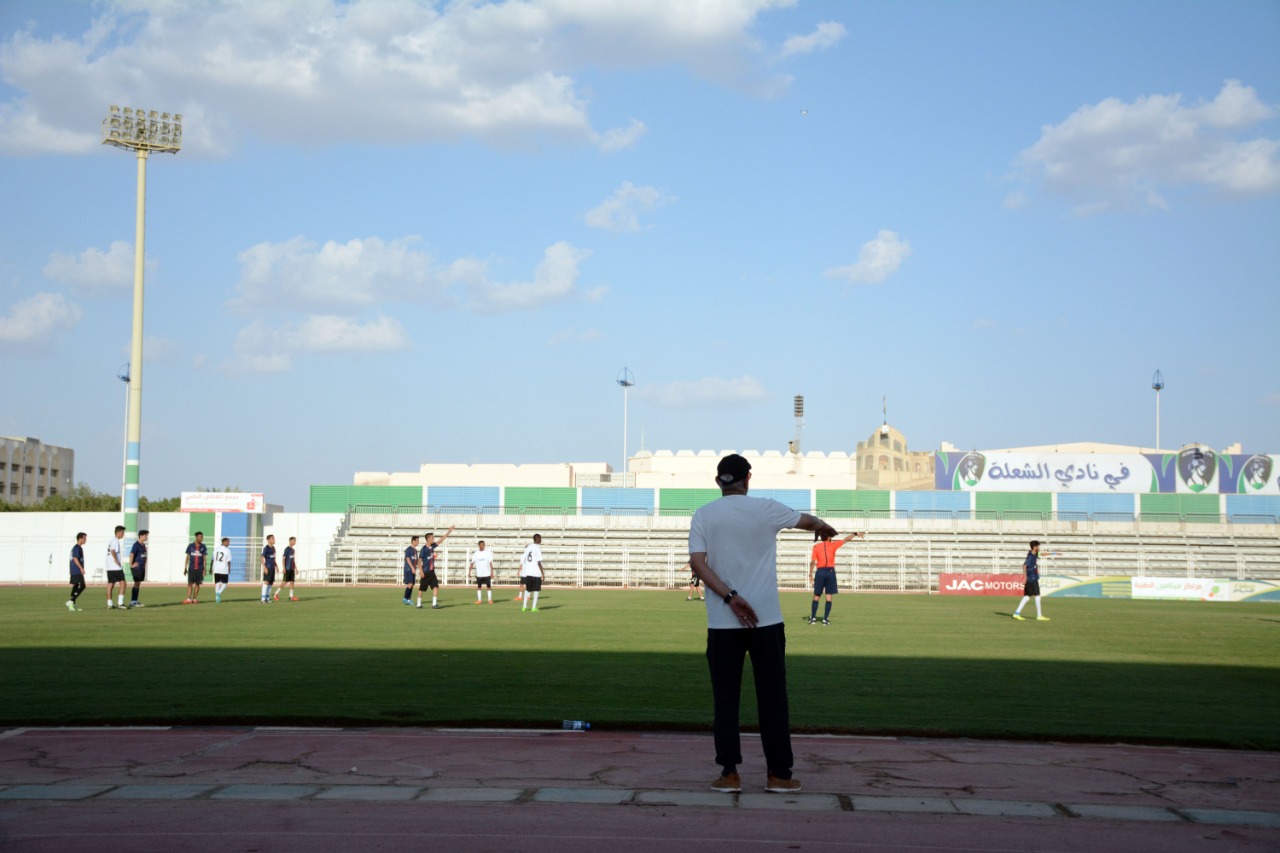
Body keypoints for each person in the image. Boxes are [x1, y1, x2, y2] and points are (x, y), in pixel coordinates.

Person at [689, 453, 839, 795]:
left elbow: (697, 563)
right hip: (766, 621)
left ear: (718, 481)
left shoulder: (704, 514)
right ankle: (779, 775)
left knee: (725, 700)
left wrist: (730, 597)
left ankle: (729, 774)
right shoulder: (767, 508)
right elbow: (807, 521)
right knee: (773, 698)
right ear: (748, 478)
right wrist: (822, 526)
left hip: (722, 622)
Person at [808, 531, 864, 625]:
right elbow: (846, 539)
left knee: (817, 595)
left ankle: (813, 618)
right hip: (830, 572)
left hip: (820, 572)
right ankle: (825, 619)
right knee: (829, 595)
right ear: (829, 537)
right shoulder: (833, 545)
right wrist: (855, 534)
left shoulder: (816, 547)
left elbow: (812, 562)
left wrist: (810, 575)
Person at [417, 526, 455, 610]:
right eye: (432, 537)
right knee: (422, 588)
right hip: (425, 571)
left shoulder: (432, 546)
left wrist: (449, 531)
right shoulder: (423, 549)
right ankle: (418, 604)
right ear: (428, 539)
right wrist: (421, 571)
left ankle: (434, 604)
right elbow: (419, 561)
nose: (433, 539)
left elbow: (441, 540)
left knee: (436, 586)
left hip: (431, 571)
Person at [1012, 540, 1048, 621]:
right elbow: (1024, 565)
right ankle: (1039, 615)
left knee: (1027, 597)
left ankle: (1016, 613)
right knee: (1037, 596)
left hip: (1032, 577)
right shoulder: (1031, 556)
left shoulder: (1034, 554)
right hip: (1031, 578)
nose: (1039, 547)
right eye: (1038, 546)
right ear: (1035, 547)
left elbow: (1042, 554)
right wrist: (1025, 577)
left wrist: (1054, 554)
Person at [520, 533, 544, 612]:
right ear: (537, 539)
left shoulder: (529, 547)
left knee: (528, 589)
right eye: (540, 538)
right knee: (536, 590)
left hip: (528, 572)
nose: (541, 540)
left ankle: (524, 607)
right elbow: (539, 562)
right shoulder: (537, 548)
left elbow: (525, 558)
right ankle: (533, 607)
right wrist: (543, 573)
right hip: (536, 572)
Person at [105, 524, 126, 609]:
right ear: (118, 532)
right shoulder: (115, 540)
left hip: (109, 567)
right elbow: (113, 550)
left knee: (111, 584)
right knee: (123, 583)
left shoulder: (112, 540)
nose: (123, 534)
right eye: (122, 532)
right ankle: (120, 603)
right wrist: (116, 560)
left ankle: (110, 604)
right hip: (115, 567)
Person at [469, 540, 496, 604]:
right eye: (482, 545)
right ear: (479, 545)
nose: (483, 546)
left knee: (488, 587)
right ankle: (479, 600)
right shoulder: (476, 554)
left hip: (487, 573)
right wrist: (469, 571)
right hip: (479, 574)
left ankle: (489, 600)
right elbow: (472, 563)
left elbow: (490, 563)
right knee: (479, 587)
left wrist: (492, 572)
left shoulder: (487, 553)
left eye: (484, 545)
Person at [184, 531, 208, 604]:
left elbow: (204, 559)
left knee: (197, 584)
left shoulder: (203, 546)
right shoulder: (190, 546)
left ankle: (194, 599)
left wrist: (205, 569)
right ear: (197, 537)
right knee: (190, 583)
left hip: (200, 568)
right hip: (191, 568)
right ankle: (188, 599)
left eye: (202, 537)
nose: (202, 538)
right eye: (201, 537)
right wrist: (185, 567)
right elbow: (187, 557)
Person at [128, 530, 149, 608]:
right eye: (145, 535)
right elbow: (131, 554)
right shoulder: (136, 545)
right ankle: (133, 601)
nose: (146, 537)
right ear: (141, 536)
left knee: (138, 584)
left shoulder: (143, 545)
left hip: (141, 567)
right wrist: (131, 564)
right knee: (136, 583)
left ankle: (135, 600)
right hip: (137, 568)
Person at [67, 532, 87, 611]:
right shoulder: (77, 548)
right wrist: (81, 568)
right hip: (76, 570)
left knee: (76, 586)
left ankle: (72, 605)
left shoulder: (79, 548)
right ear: (80, 538)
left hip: (75, 570)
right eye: (84, 538)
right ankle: (71, 601)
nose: (85, 540)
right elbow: (75, 558)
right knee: (82, 585)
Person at [279, 536, 299, 601]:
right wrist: (284, 568)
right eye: (294, 540)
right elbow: (283, 559)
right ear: (290, 541)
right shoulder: (287, 549)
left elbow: (293, 560)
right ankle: (276, 594)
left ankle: (291, 597)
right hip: (287, 568)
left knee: (292, 582)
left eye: (295, 540)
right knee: (284, 582)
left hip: (292, 569)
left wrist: (296, 569)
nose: (295, 542)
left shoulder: (293, 550)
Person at [213, 536, 232, 603]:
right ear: (224, 542)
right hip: (224, 568)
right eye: (228, 542)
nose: (229, 543)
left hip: (216, 568)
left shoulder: (216, 549)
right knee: (224, 583)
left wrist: (211, 568)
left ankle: (217, 599)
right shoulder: (227, 550)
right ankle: (219, 593)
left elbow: (213, 559)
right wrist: (229, 568)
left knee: (217, 583)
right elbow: (228, 561)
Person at [402, 536, 420, 605]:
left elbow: (417, 561)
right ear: (413, 541)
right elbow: (408, 559)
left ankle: (409, 599)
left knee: (412, 584)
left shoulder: (415, 551)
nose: (418, 542)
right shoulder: (409, 549)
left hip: (413, 570)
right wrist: (412, 568)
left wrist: (420, 568)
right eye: (417, 541)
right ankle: (405, 598)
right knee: (410, 583)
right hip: (408, 569)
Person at [260, 534, 277, 603]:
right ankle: (263, 598)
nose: (274, 540)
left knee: (271, 583)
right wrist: (265, 567)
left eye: (274, 538)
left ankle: (267, 597)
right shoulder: (266, 548)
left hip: (272, 568)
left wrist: (276, 566)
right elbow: (261, 557)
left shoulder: (273, 548)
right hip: (268, 567)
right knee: (266, 582)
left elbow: (274, 558)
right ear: (269, 540)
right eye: (272, 539)